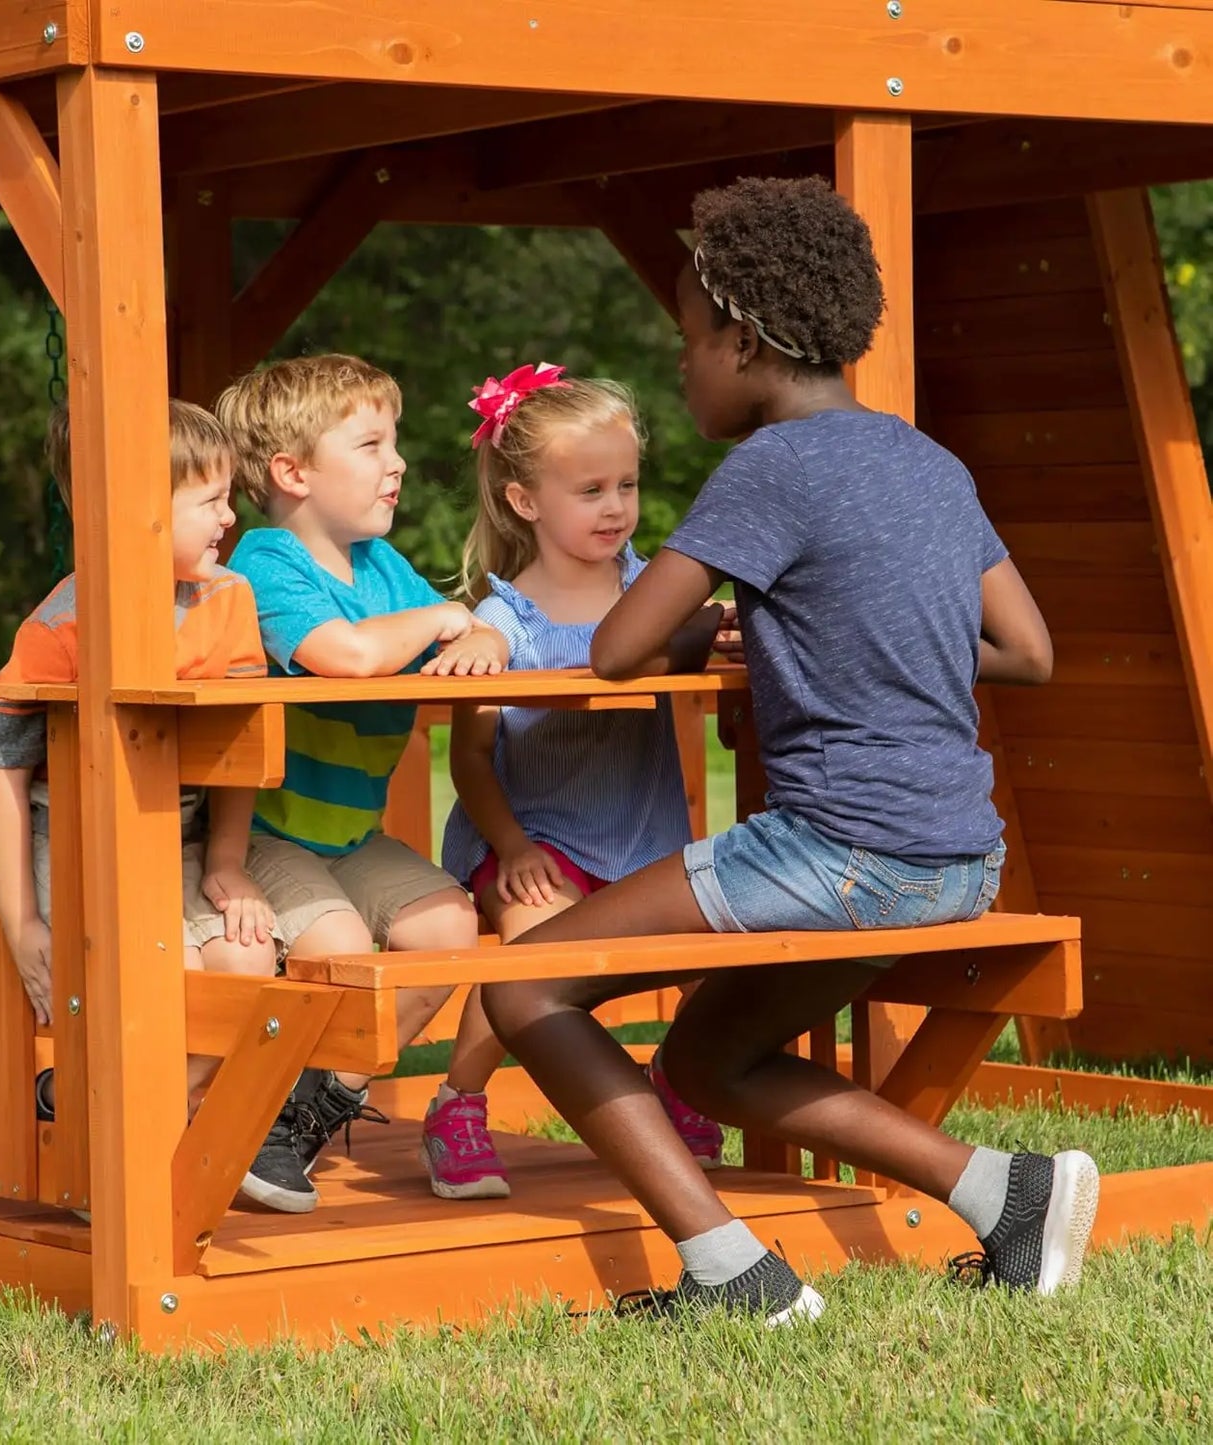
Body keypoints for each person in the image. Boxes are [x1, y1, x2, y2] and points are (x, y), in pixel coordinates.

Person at [481, 176, 1097, 1324]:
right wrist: (832, 636)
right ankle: (1005, 1192)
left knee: (522, 986)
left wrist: (725, 624)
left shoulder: (766, 469)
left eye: (685, 344)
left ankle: (733, 1273)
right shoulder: (923, 460)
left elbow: (615, 646)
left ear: (742, 338)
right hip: (956, 853)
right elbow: (1024, 649)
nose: (680, 369)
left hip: (840, 848)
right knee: (709, 1063)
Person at [216, 353, 509, 1214]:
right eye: (372, 444)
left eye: (397, 441)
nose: (399, 463)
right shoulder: (265, 566)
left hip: (347, 835)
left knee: (450, 925)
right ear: (291, 472)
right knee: (340, 943)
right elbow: (342, 657)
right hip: (265, 831)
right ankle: (248, 1116)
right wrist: (451, 617)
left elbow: (454, 634)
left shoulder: (381, 567)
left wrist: (482, 633)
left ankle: (305, 1111)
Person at [427, 363, 722, 1201]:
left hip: (646, 840)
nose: (615, 506)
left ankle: (683, 1079)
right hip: (538, 847)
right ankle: (457, 1102)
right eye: (589, 488)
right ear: (525, 502)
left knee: (715, 949)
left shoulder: (652, 593)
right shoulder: (501, 621)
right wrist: (511, 845)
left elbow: (699, 636)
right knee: (531, 958)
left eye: (626, 484)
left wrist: (721, 633)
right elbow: (471, 758)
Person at [0, 400, 279, 1124]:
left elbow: (242, 741)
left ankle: (119, 1123)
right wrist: (22, 924)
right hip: (81, 846)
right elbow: (0, 771)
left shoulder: (228, 597)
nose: (230, 517)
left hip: (181, 840)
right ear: (135, 511)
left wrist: (226, 860)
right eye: (210, 500)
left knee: (249, 962)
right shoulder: (61, 625)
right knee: (171, 972)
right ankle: (127, 1148)